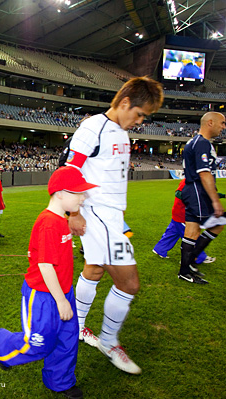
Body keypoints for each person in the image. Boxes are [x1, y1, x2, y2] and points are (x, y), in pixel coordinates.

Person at [66, 76, 164, 374]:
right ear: (124, 103)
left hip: (111, 216)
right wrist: (74, 213)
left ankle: (77, 327)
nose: (140, 121)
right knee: (129, 283)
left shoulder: (121, 132)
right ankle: (109, 341)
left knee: (94, 270)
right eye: (140, 113)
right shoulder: (93, 127)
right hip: (96, 214)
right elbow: (70, 168)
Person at [0, 166, 98, 399]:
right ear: (60, 193)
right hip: (43, 296)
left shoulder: (61, 219)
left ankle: (59, 381)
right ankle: (3, 346)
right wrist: (60, 300)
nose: (83, 197)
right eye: (78, 193)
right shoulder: (49, 223)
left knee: (67, 339)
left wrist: (64, 295)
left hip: (63, 291)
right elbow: (45, 265)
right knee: (39, 343)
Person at [178, 112, 226, 284]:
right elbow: (204, 173)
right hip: (197, 190)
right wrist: (215, 200)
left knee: (210, 226)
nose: (224, 127)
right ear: (210, 122)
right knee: (201, 229)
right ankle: (186, 268)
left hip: (194, 190)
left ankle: (187, 266)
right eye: (222, 123)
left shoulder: (197, 142)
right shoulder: (201, 144)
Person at [153, 179, 226, 262]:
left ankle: (160, 249)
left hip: (178, 213)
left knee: (173, 232)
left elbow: (206, 195)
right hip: (183, 214)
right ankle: (199, 257)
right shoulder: (189, 181)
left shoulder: (196, 181)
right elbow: (178, 193)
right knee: (192, 235)